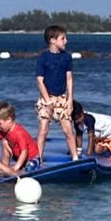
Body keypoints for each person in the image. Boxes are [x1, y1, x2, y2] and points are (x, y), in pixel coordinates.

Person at [35, 24, 77, 160]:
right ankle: (38, 158)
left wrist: (70, 99)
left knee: (68, 130)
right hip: (46, 98)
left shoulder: (66, 57)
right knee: (43, 130)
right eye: (63, 38)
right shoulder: (43, 57)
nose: (66, 41)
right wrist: (47, 101)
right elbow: (40, 81)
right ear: (53, 40)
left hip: (61, 98)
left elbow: (69, 78)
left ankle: (75, 156)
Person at [0, 101, 40, 175]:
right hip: (18, 156)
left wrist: (17, 167)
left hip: (31, 158)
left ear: (9, 119)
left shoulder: (19, 133)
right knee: (4, 142)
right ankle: (5, 166)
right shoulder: (5, 131)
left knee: (28, 169)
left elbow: (24, 152)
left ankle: (19, 172)